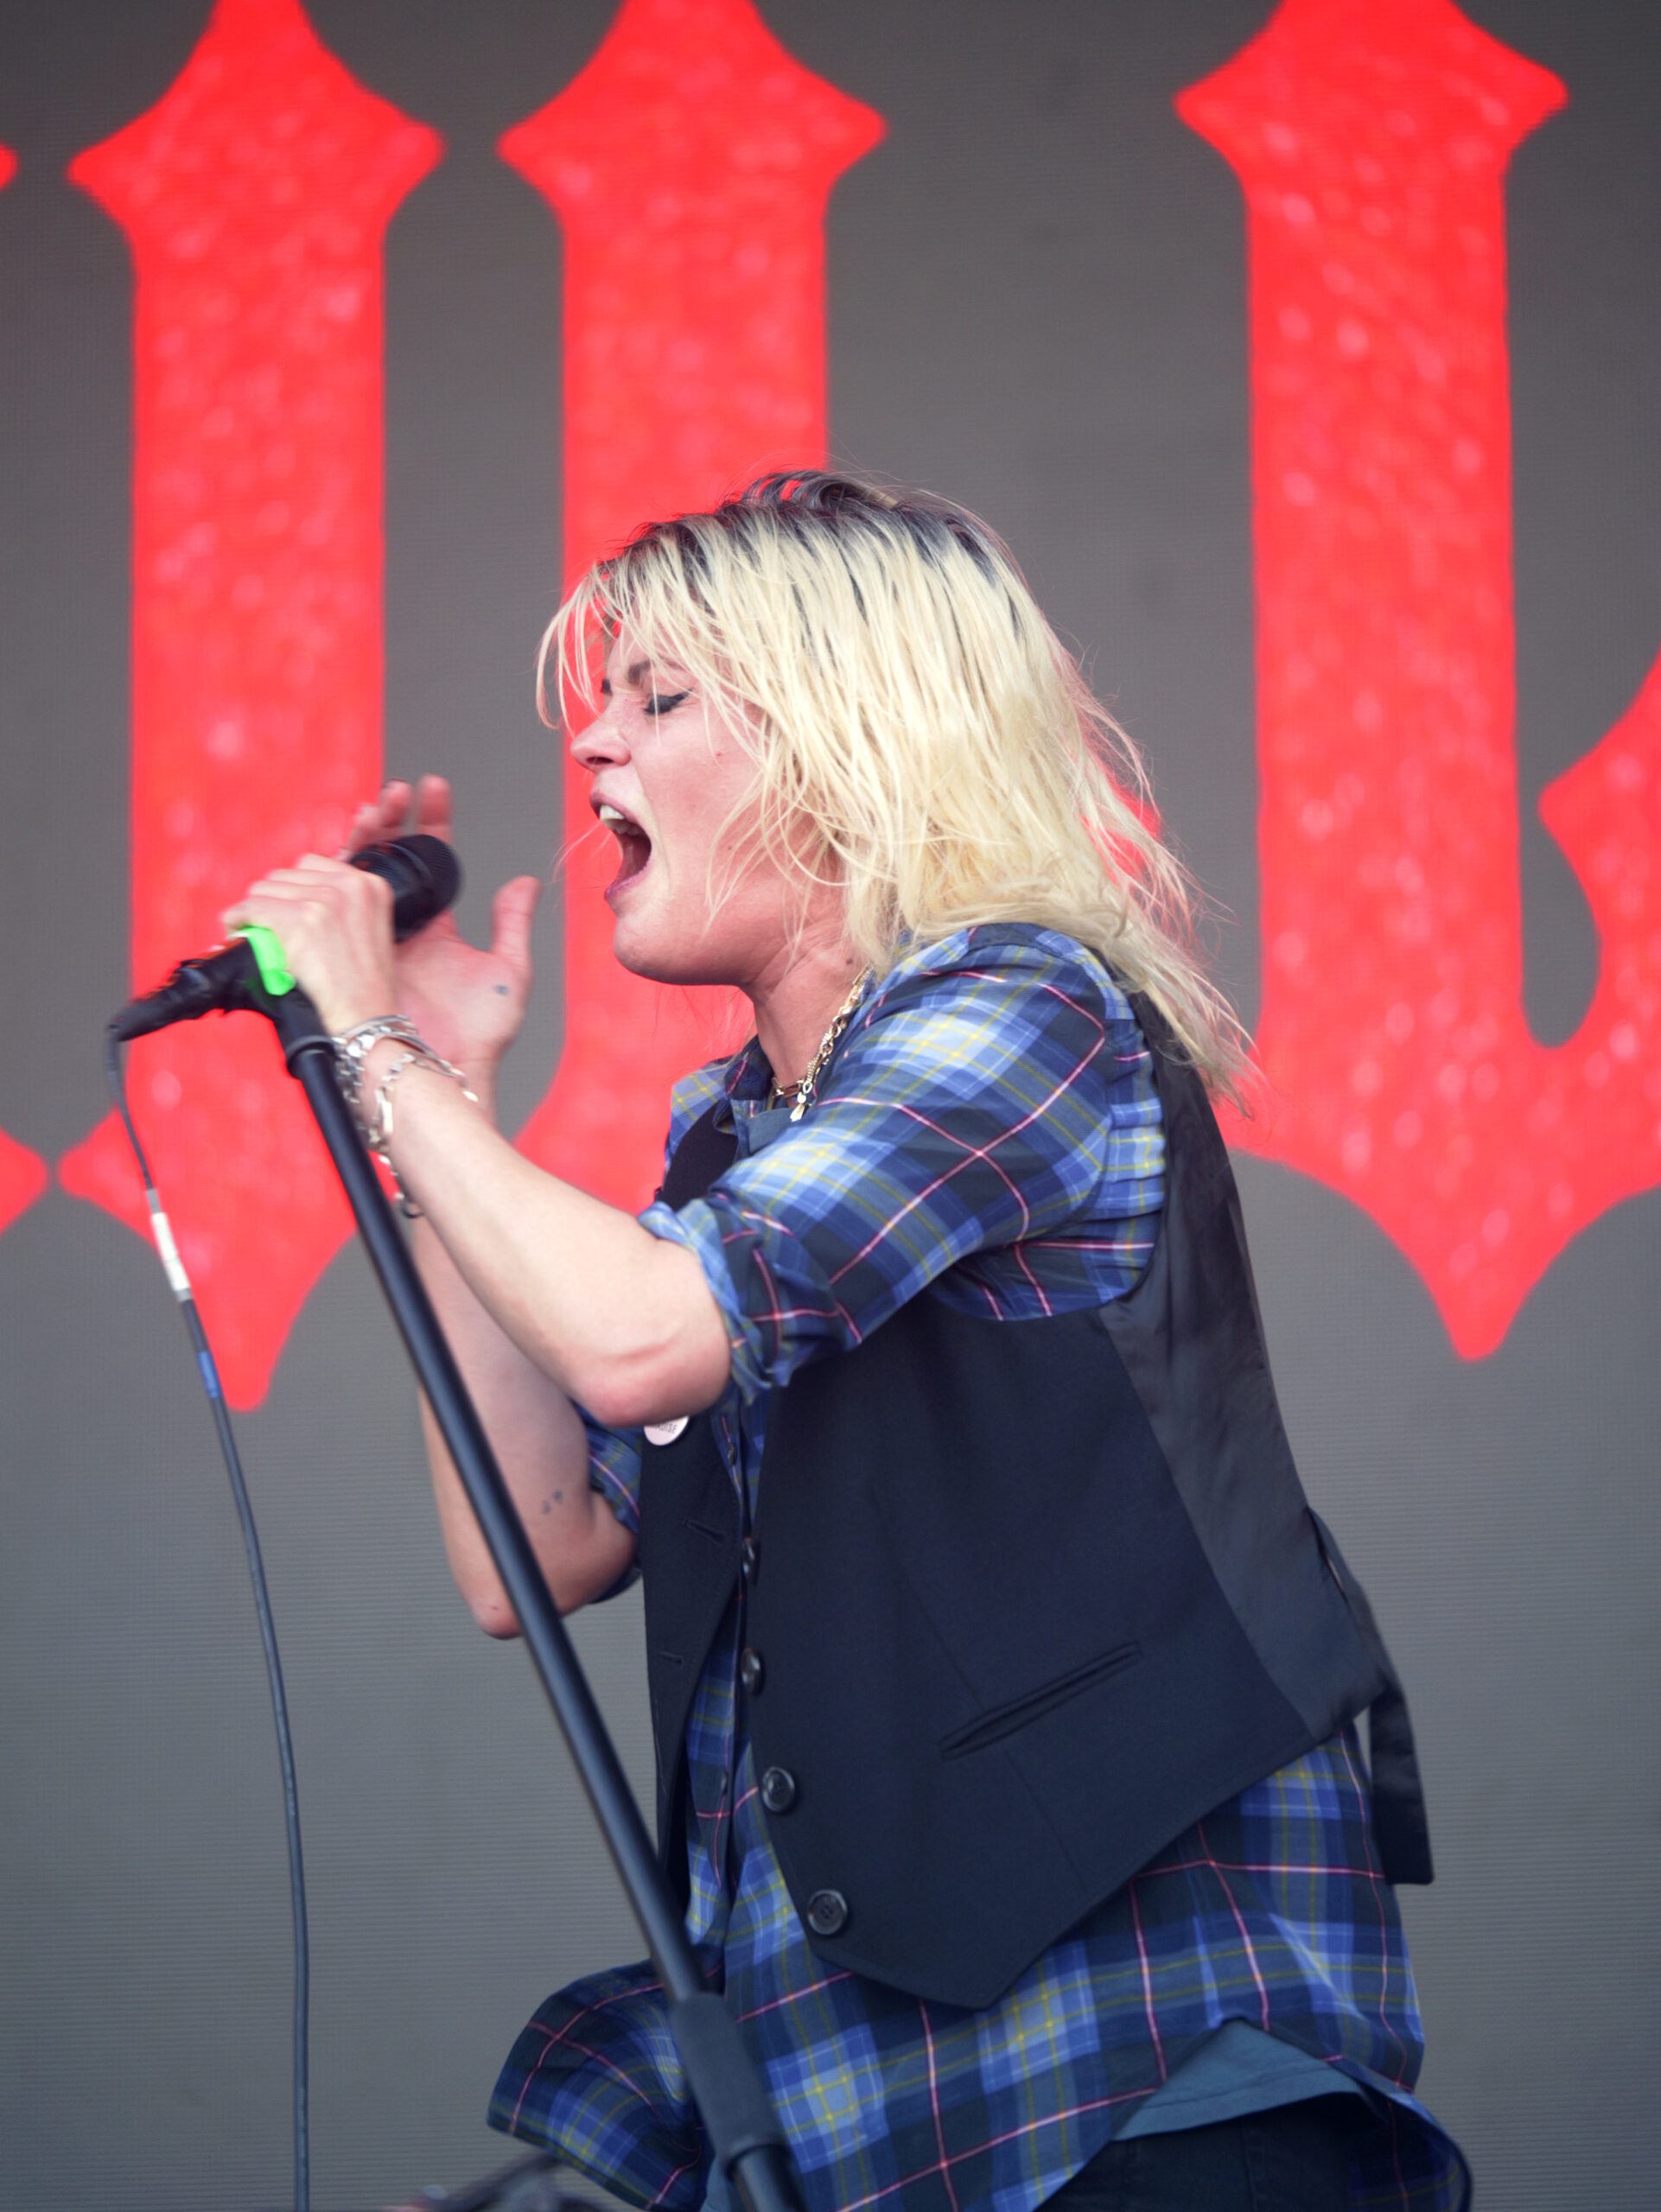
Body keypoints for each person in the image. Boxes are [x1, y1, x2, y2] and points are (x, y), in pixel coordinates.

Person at [231, 474, 1468, 2212]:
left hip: (1134, 2097)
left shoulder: (1023, 1004)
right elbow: (534, 1546)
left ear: (848, 742)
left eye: (661, 697)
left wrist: (369, 1047)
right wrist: (426, 1088)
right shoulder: (734, 1139)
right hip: (878, 2123)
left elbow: (642, 1338)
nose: (594, 742)